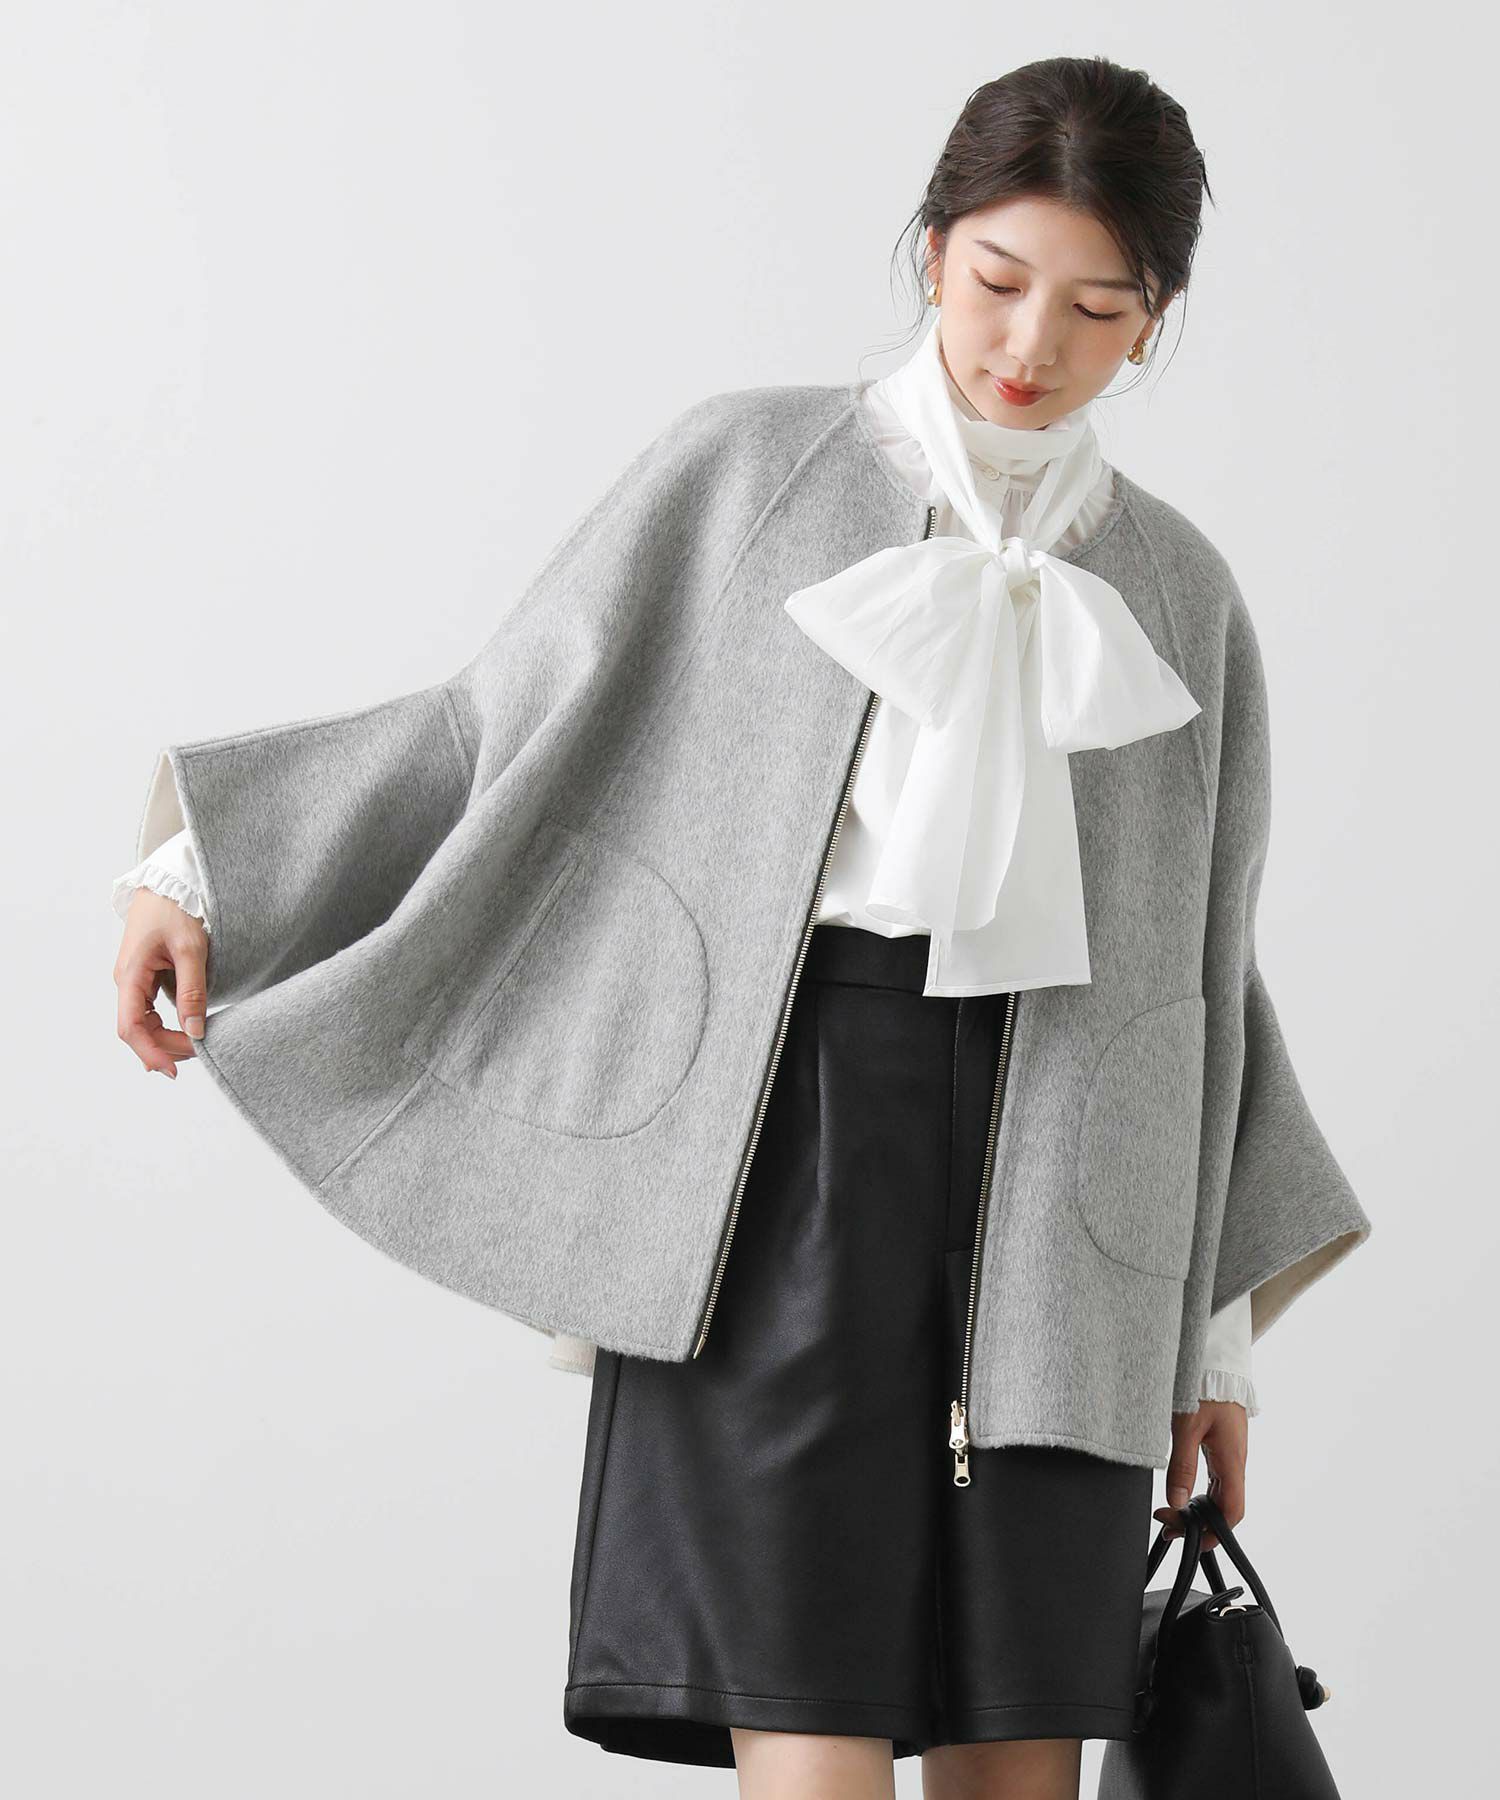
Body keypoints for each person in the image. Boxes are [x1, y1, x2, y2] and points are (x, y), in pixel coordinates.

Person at [111, 56, 1369, 1800]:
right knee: (806, 1736)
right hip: (783, 1169)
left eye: (1097, 308)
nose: (1032, 344)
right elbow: (500, 731)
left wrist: (1210, 1337)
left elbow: (1205, 989)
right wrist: (202, 872)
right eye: (998, 279)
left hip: (1080, 1206)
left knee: (1019, 1764)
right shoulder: (745, 475)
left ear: (1153, 321)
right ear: (930, 249)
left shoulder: (1183, 595)